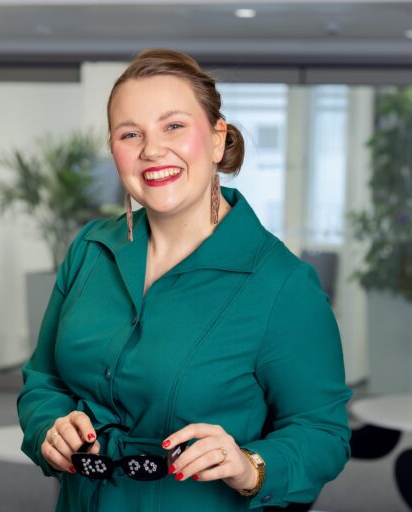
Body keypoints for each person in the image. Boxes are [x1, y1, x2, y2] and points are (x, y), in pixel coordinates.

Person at [17, 48, 351, 512]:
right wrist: (49, 429)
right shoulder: (89, 250)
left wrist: (250, 465)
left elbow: (323, 433)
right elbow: (44, 381)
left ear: (217, 139)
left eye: (173, 126)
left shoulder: (282, 284)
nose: (152, 150)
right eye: (130, 133)